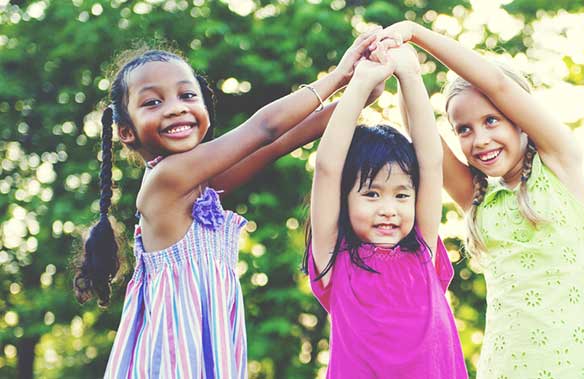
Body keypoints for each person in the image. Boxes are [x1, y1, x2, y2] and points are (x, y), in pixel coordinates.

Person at [73, 29, 382, 378]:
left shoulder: (196, 183)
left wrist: (361, 92)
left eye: (187, 95)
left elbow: (278, 143)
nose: (176, 109)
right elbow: (265, 128)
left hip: (206, 350)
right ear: (126, 131)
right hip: (174, 359)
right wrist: (341, 76)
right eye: (152, 102)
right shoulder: (165, 181)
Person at [376, 21, 584, 379]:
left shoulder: (561, 167)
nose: (479, 139)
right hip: (507, 368)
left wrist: (415, 32)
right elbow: (425, 143)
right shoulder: (479, 200)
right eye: (463, 129)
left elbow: (496, 84)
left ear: (520, 121)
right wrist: (406, 72)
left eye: (491, 121)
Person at [303, 43, 467, 378]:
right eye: (372, 194)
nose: (389, 209)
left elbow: (431, 162)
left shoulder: (423, 250)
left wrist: (409, 73)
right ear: (344, 199)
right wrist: (361, 83)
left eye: (402, 195)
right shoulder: (335, 259)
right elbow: (328, 167)